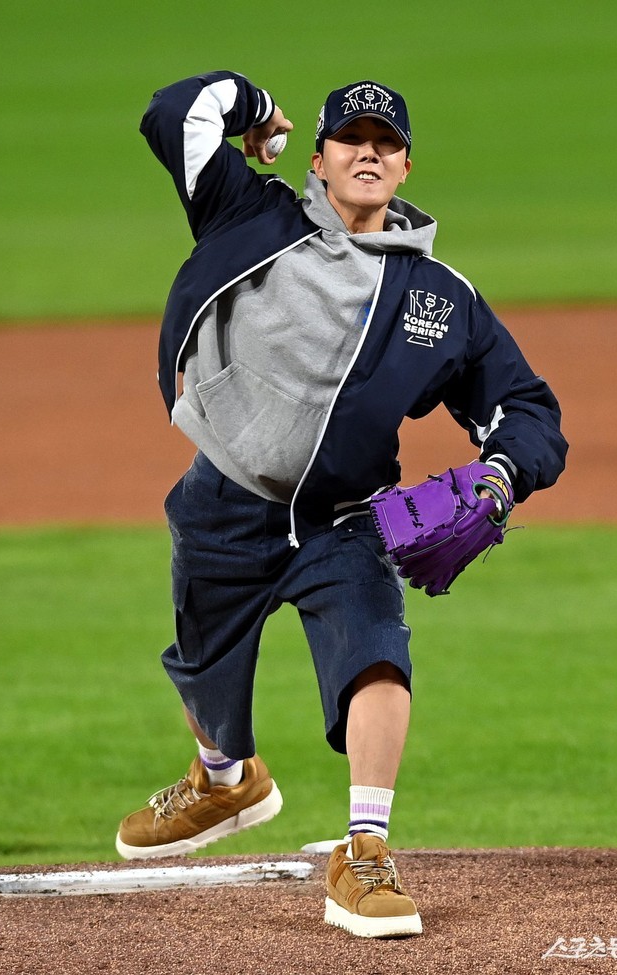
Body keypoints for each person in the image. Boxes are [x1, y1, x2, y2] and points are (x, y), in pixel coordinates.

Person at [116, 71, 567, 938]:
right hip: (223, 498)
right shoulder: (249, 214)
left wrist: (502, 476)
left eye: (386, 143)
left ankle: (365, 849)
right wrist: (256, 109)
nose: (369, 151)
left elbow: (527, 408)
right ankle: (224, 778)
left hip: (346, 518)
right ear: (318, 159)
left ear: (405, 167)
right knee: (202, 665)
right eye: (351, 138)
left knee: (376, 655)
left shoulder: (440, 298)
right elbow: (175, 112)